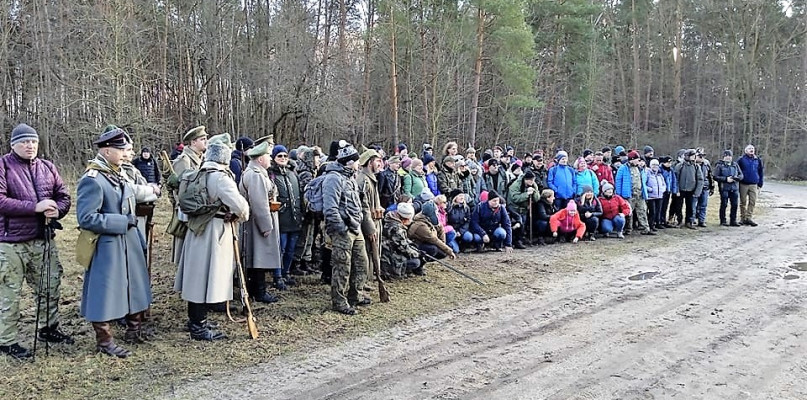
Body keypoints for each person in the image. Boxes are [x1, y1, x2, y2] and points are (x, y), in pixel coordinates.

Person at [76, 127, 152, 357]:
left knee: (135, 286)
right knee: (104, 292)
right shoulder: (93, 179)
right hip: (107, 245)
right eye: (120, 150)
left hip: (129, 241)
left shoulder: (119, 173)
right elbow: (86, 218)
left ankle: (133, 330)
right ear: (106, 151)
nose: (125, 153)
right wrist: (122, 221)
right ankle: (105, 341)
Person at [0, 123, 73, 360]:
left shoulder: (47, 167)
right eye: (24, 142)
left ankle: (48, 328)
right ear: (13, 145)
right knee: (9, 292)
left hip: (43, 239)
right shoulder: (3, 165)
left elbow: (63, 196)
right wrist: (35, 207)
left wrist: (57, 210)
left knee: (50, 287)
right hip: (11, 242)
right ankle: (6, 340)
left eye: (33, 141)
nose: (29, 146)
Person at [174, 133, 249, 341]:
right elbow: (242, 207)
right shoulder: (221, 178)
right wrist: (238, 216)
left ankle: (197, 320)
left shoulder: (196, 174)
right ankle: (198, 326)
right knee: (206, 278)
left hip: (195, 230)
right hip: (214, 232)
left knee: (196, 278)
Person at [322, 142, 371, 315]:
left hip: (354, 228)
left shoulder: (349, 177)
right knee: (342, 266)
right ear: (349, 162)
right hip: (343, 230)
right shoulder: (333, 178)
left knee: (361, 262)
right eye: (356, 161)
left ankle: (355, 295)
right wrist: (341, 228)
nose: (359, 164)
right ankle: (339, 301)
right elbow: (330, 209)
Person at [238, 142, 282, 303]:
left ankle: (256, 290)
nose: (270, 159)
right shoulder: (256, 175)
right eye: (268, 156)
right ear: (260, 158)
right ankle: (259, 292)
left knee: (256, 257)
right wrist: (266, 225)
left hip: (254, 222)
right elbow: (259, 203)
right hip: (257, 223)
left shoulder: (255, 172)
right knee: (258, 257)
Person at [169, 126, 208, 264]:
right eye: (202, 139)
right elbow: (180, 189)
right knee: (184, 249)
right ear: (193, 142)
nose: (206, 142)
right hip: (186, 211)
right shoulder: (184, 160)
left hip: (198, 209)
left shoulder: (203, 159)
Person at [269, 145, 305, 286]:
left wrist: (301, 211)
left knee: (291, 249)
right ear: (274, 158)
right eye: (280, 156)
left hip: (295, 217)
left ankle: (286, 273)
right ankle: (277, 276)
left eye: (285, 156)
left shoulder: (292, 173)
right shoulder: (271, 174)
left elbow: (299, 194)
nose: (283, 158)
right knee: (281, 248)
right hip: (281, 218)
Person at [356, 148, 384, 292]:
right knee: (366, 253)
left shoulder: (371, 178)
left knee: (373, 252)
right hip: (368, 223)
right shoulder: (363, 180)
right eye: (377, 161)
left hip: (375, 221)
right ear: (370, 162)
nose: (380, 164)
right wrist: (370, 227)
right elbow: (363, 207)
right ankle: (363, 281)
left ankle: (368, 279)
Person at [293, 146, 321, 274]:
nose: (318, 160)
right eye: (316, 158)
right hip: (306, 212)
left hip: (310, 213)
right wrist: (308, 210)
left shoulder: (312, 172)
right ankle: (297, 263)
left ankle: (305, 261)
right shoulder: (306, 174)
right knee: (303, 238)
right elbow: (306, 194)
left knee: (309, 237)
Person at [615, 150, 654, 235]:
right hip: (629, 195)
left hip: (640, 194)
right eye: (637, 159)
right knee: (628, 212)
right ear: (631, 159)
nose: (638, 161)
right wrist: (619, 195)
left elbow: (643, 180)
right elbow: (618, 182)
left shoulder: (640, 168)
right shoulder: (623, 168)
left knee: (643, 211)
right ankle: (628, 229)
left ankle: (646, 228)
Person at [380, 202, 422, 278]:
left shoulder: (390, 219)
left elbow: (403, 241)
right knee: (416, 262)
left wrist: (414, 247)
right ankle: (394, 272)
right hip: (388, 257)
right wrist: (417, 254)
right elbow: (403, 247)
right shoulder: (396, 229)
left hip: (389, 251)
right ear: (405, 218)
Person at [505, 170, 540, 246]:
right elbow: (515, 198)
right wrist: (527, 194)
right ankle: (514, 240)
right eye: (530, 180)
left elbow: (537, 198)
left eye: (533, 180)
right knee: (517, 223)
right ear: (525, 179)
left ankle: (520, 239)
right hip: (514, 207)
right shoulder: (515, 185)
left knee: (523, 223)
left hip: (524, 208)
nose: (532, 181)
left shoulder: (533, 185)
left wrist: (533, 193)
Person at [674, 149, 704, 229]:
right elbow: (676, 179)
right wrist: (676, 190)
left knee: (690, 207)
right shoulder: (680, 166)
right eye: (692, 156)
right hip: (681, 190)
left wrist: (697, 192)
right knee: (678, 206)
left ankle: (688, 222)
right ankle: (679, 221)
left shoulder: (696, 166)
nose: (694, 157)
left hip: (691, 190)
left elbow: (700, 179)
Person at [713, 150, 744, 227]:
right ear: (723, 157)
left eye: (729, 156)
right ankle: (723, 220)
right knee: (724, 204)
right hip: (724, 188)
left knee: (735, 204)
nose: (728, 157)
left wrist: (736, 178)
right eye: (726, 156)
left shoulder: (735, 165)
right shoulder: (719, 165)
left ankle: (733, 220)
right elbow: (715, 176)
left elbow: (741, 175)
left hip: (734, 188)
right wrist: (726, 179)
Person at [736, 144, 764, 226]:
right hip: (743, 184)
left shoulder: (758, 160)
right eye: (749, 149)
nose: (751, 150)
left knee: (752, 201)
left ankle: (749, 217)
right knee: (743, 202)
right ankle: (742, 218)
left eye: (752, 148)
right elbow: (736, 170)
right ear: (746, 151)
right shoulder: (741, 159)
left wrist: (760, 183)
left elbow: (761, 172)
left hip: (754, 184)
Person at [645, 159, 667, 231]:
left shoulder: (660, 175)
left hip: (659, 195)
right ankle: (650, 225)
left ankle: (657, 223)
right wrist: (650, 189)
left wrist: (662, 189)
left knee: (658, 211)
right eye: (653, 165)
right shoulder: (647, 173)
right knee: (652, 211)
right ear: (650, 165)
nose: (655, 166)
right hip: (651, 196)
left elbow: (664, 184)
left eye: (657, 165)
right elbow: (644, 184)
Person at [693, 152, 714, 227]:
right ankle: (692, 219)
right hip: (695, 187)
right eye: (700, 156)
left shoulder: (706, 164)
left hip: (705, 187)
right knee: (694, 204)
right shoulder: (693, 164)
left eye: (703, 156)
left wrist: (712, 186)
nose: (702, 158)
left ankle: (701, 220)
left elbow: (710, 175)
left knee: (703, 205)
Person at [658, 156, 678, 228]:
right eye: (668, 162)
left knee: (665, 206)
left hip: (668, 191)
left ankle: (663, 220)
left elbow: (674, 180)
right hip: (662, 191)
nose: (669, 164)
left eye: (670, 162)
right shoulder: (660, 169)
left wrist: (674, 190)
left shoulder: (671, 170)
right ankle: (659, 220)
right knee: (660, 207)